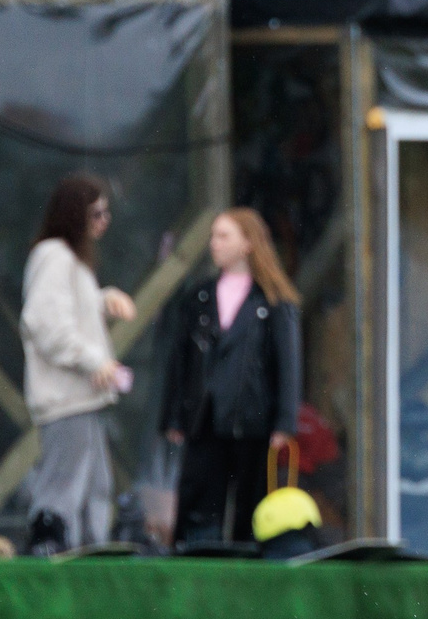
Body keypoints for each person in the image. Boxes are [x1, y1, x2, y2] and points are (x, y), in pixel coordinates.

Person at [158, 207, 303, 546]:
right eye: (213, 236)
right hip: (204, 417)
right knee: (198, 500)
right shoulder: (199, 296)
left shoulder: (273, 300)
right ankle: (196, 555)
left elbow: (288, 364)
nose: (214, 244)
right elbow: (180, 360)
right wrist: (174, 414)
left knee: (251, 509)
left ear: (248, 243)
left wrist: (284, 422)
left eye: (224, 236)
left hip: (252, 419)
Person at [21, 174, 138, 550]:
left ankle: (89, 555)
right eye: (96, 213)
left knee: (95, 488)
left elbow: (68, 312)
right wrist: (94, 362)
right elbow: (45, 323)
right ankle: (52, 553)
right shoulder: (54, 255)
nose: (104, 220)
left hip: (83, 400)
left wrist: (103, 301)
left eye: (106, 212)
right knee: (63, 488)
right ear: (74, 214)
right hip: (66, 400)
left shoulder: (72, 259)